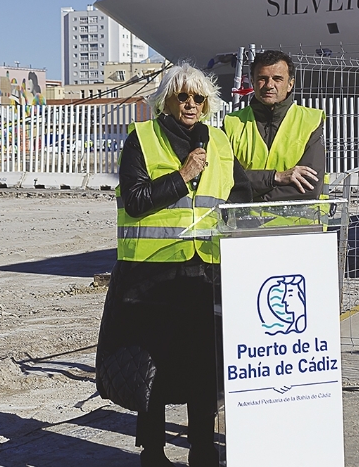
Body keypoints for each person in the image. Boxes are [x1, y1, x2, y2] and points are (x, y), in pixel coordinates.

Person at [95, 63, 251, 467]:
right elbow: (136, 200)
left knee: (203, 367)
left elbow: (243, 189)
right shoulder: (141, 138)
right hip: (151, 274)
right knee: (155, 368)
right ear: (166, 98)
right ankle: (154, 452)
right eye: (182, 95)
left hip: (203, 272)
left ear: (207, 102)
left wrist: (283, 178)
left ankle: (203, 450)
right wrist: (183, 176)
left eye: (198, 97)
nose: (190, 104)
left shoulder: (219, 142)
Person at [224, 50, 327, 202]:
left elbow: (309, 186)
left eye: (277, 79)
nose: (269, 85)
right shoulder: (232, 123)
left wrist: (254, 201)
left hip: (297, 223)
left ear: (290, 84)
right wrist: (275, 177)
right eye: (262, 79)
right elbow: (224, 177)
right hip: (244, 224)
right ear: (252, 82)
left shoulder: (311, 121)